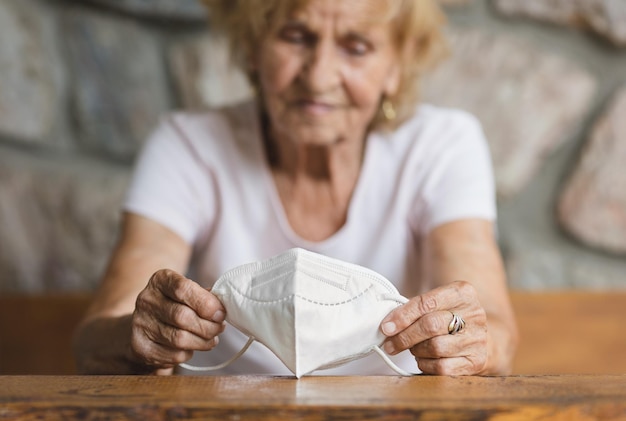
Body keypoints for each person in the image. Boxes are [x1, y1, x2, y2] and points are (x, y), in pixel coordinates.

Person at [73, 0, 519, 376]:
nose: (319, 75)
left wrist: (469, 338)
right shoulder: (189, 147)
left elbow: (494, 329)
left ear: (395, 69)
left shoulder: (441, 146)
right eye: (296, 36)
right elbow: (96, 337)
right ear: (253, 48)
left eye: (356, 47)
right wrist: (139, 331)